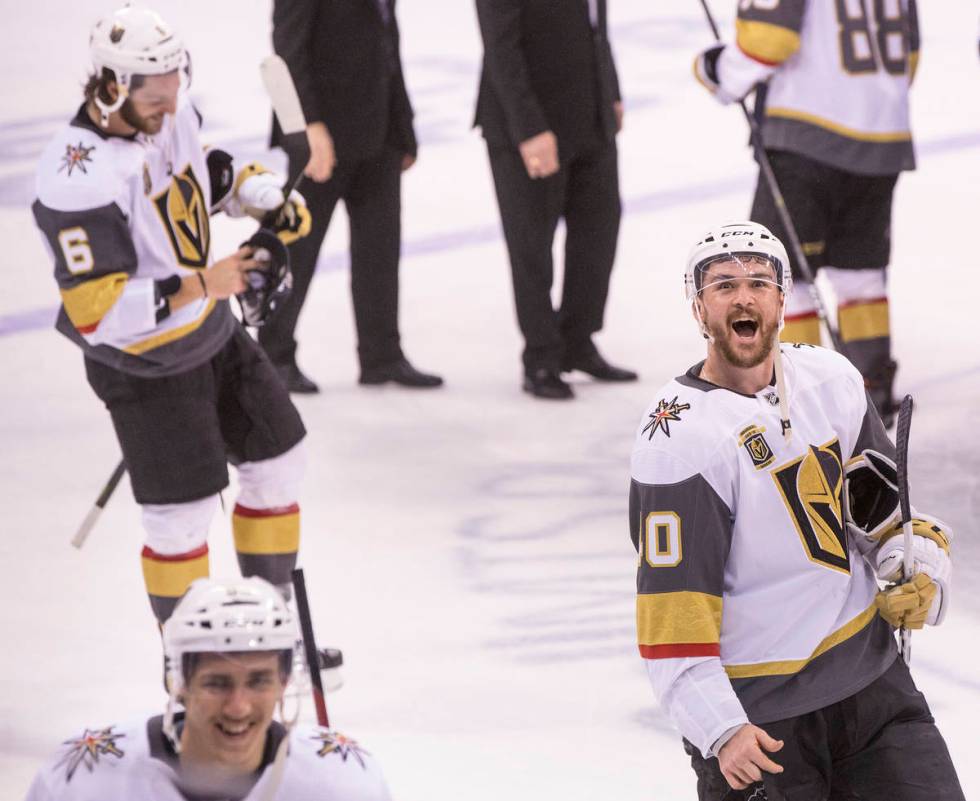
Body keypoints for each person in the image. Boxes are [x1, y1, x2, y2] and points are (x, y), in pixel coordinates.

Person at [629, 222, 962, 800]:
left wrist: (919, 566)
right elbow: (672, 623)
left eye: (759, 280)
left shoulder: (829, 380)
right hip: (761, 722)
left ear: (782, 299)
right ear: (698, 308)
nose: (743, 296)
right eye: (723, 284)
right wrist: (721, 728)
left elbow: (883, 519)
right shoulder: (679, 439)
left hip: (873, 686)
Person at [32, 5, 313, 625]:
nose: (170, 107)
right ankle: (190, 670)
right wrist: (202, 283)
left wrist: (257, 192)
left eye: (174, 89)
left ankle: (269, 631)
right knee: (180, 518)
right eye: (154, 100)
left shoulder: (170, 112)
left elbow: (194, 176)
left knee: (277, 463)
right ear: (112, 87)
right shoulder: (75, 179)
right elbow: (94, 313)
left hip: (209, 335)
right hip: (142, 366)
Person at [693, 0, 920, 426]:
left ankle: (794, 397)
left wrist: (718, 70)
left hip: (807, 136)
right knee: (860, 273)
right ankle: (870, 385)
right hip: (883, 134)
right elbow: (910, 54)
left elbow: (768, 38)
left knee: (779, 275)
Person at [24, 577, 390, 800]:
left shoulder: (343, 783)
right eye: (217, 683)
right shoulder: (87, 776)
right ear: (179, 682)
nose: (238, 707)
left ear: (284, 682)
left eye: (259, 681)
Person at [259, 0, 442, 394]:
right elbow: (287, 50)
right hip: (321, 136)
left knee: (380, 248)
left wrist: (402, 128)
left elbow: (387, 41)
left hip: (379, 131)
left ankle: (382, 355)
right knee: (297, 249)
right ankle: (273, 356)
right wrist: (306, 126)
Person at [473, 0, 637, 400]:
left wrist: (609, 91)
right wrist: (529, 128)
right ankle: (541, 355)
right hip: (528, 125)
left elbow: (595, 25)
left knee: (600, 229)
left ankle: (577, 340)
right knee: (531, 244)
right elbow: (500, 45)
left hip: (590, 115)